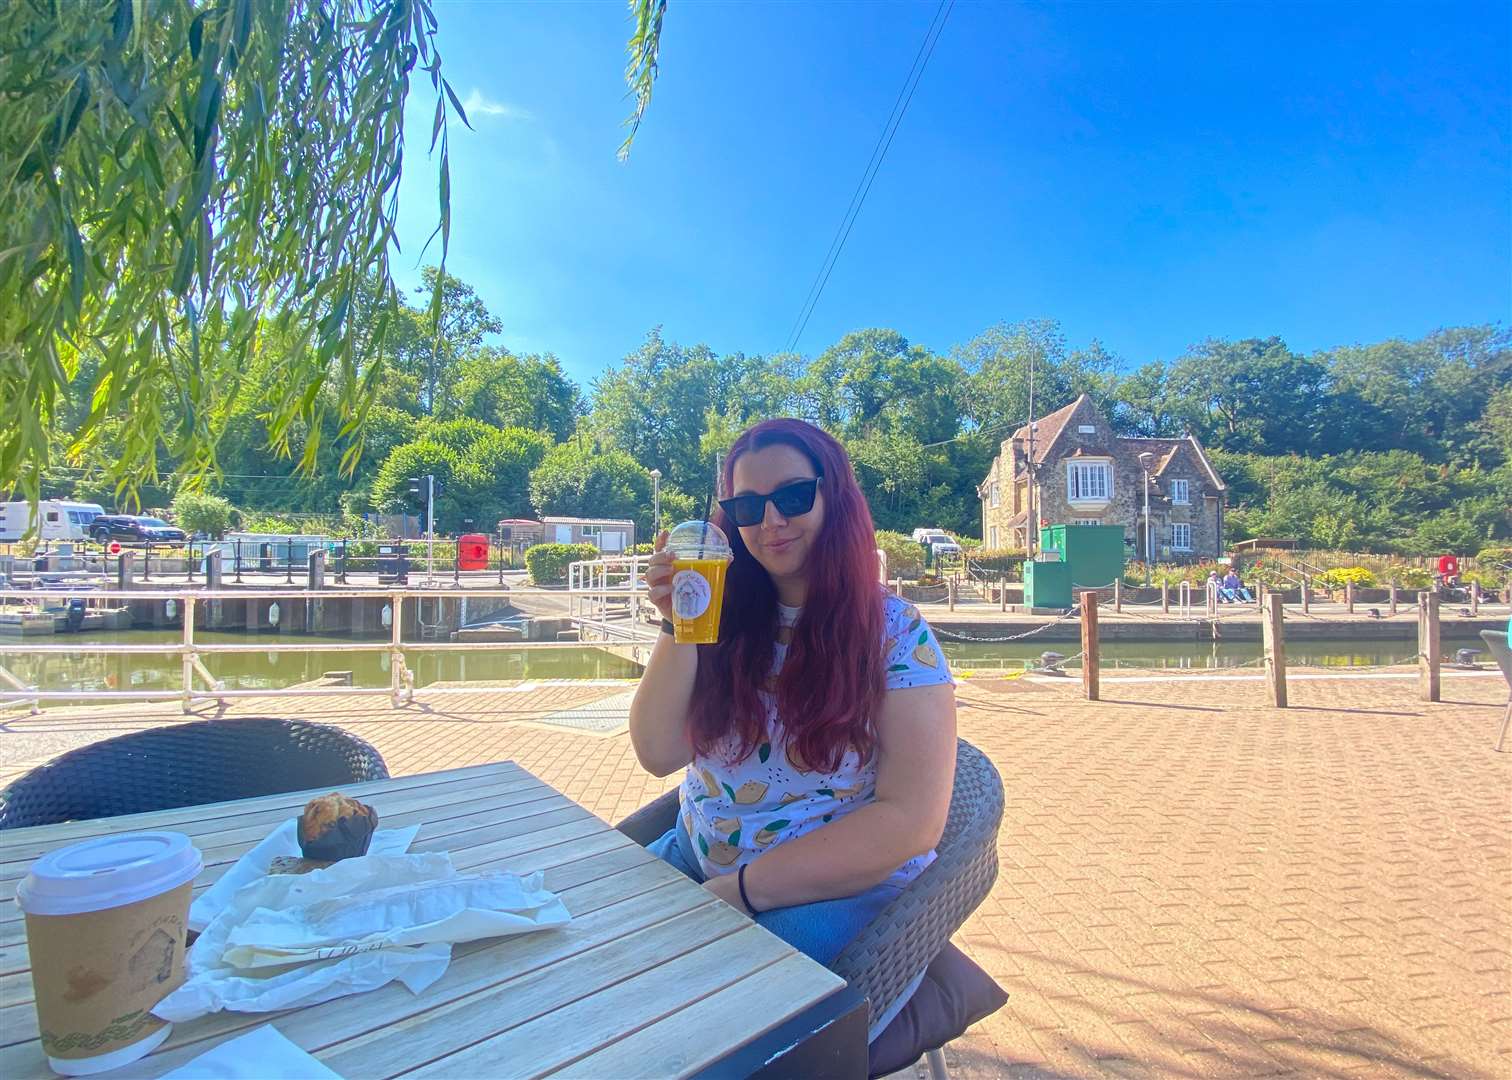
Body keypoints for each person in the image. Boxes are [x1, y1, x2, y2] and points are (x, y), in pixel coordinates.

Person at [629, 419, 957, 1038]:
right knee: (587, 965)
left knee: (699, 1030)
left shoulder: (894, 632)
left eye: (794, 496)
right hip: (697, 857)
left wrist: (743, 892)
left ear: (834, 497)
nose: (771, 520)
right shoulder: (725, 616)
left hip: (826, 890)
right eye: (748, 505)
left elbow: (913, 821)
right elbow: (658, 751)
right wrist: (678, 625)